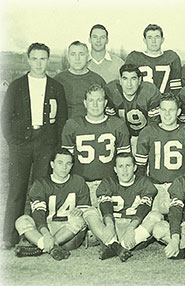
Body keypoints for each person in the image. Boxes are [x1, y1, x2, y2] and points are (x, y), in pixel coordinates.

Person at [1, 43, 67, 248]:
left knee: (40, 190)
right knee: (17, 189)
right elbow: (5, 117)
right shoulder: (17, 85)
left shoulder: (56, 86)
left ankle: (35, 234)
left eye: (43, 59)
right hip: (21, 144)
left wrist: (54, 145)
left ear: (48, 60)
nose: (39, 63)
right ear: (28, 60)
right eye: (35, 59)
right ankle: (9, 237)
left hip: (45, 144)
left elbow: (62, 119)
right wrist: (13, 143)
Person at [81, 153, 162, 261]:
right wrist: (109, 225)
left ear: (135, 167)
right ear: (115, 169)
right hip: (113, 229)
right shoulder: (108, 182)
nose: (124, 170)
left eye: (128, 165)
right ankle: (117, 247)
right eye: (121, 166)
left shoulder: (144, 183)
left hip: (134, 231)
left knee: (156, 216)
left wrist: (131, 228)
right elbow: (105, 205)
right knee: (89, 212)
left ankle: (116, 247)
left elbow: (144, 207)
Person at [13, 149, 89, 260]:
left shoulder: (78, 181)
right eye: (60, 163)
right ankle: (52, 248)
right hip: (46, 226)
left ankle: (41, 246)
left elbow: (84, 209)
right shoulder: (40, 183)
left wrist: (81, 211)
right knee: (22, 220)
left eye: (68, 164)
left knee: (79, 220)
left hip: (67, 232)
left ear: (72, 166)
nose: (64, 167)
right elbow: (38, 213)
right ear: (52, 164)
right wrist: (46, 234)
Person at [61, 84, 131, 206]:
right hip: (81, 185)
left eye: (99, 100)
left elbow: (124, 161)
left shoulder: (117, 125)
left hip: (109, 185)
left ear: (105, 103)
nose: (95, 105)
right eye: (91, 100)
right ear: (85, 103)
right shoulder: (72, 125)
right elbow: (66, 161)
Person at [135, 96, 185, 216]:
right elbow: (140, 168)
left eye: (171, 110)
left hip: (180, 187)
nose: (167, 114)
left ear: (178, 112)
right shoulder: (148, 132)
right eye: (164, 110)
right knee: (151, 219)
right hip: (155, 185)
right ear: (159, 111)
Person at [103, 64, 162, 154]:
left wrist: (141, 141)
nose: (129, 84)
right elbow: (111, 126)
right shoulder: (111, 91)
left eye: (133, 79)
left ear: (139, 80)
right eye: (125, 79)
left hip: (145, 138)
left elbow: (154, 126)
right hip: (119, 139)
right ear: (120, 80)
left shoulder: (149, 91)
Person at [124, 24, 182, 95]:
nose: (153, 41)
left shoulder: (172, 57)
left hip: (165, 103)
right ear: (144, 40)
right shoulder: (134, 58)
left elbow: (176, 89)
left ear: (162, 40)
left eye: (157, 37)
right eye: (150, 37)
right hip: (142, 103)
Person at [55, 41, 106, 118]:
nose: (77, 58)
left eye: (81, 54)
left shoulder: (98, 80)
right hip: (65, 128)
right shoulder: (58, 80)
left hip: (91, 127)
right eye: (73, 54)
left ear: (88, 57)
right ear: (68, 57)